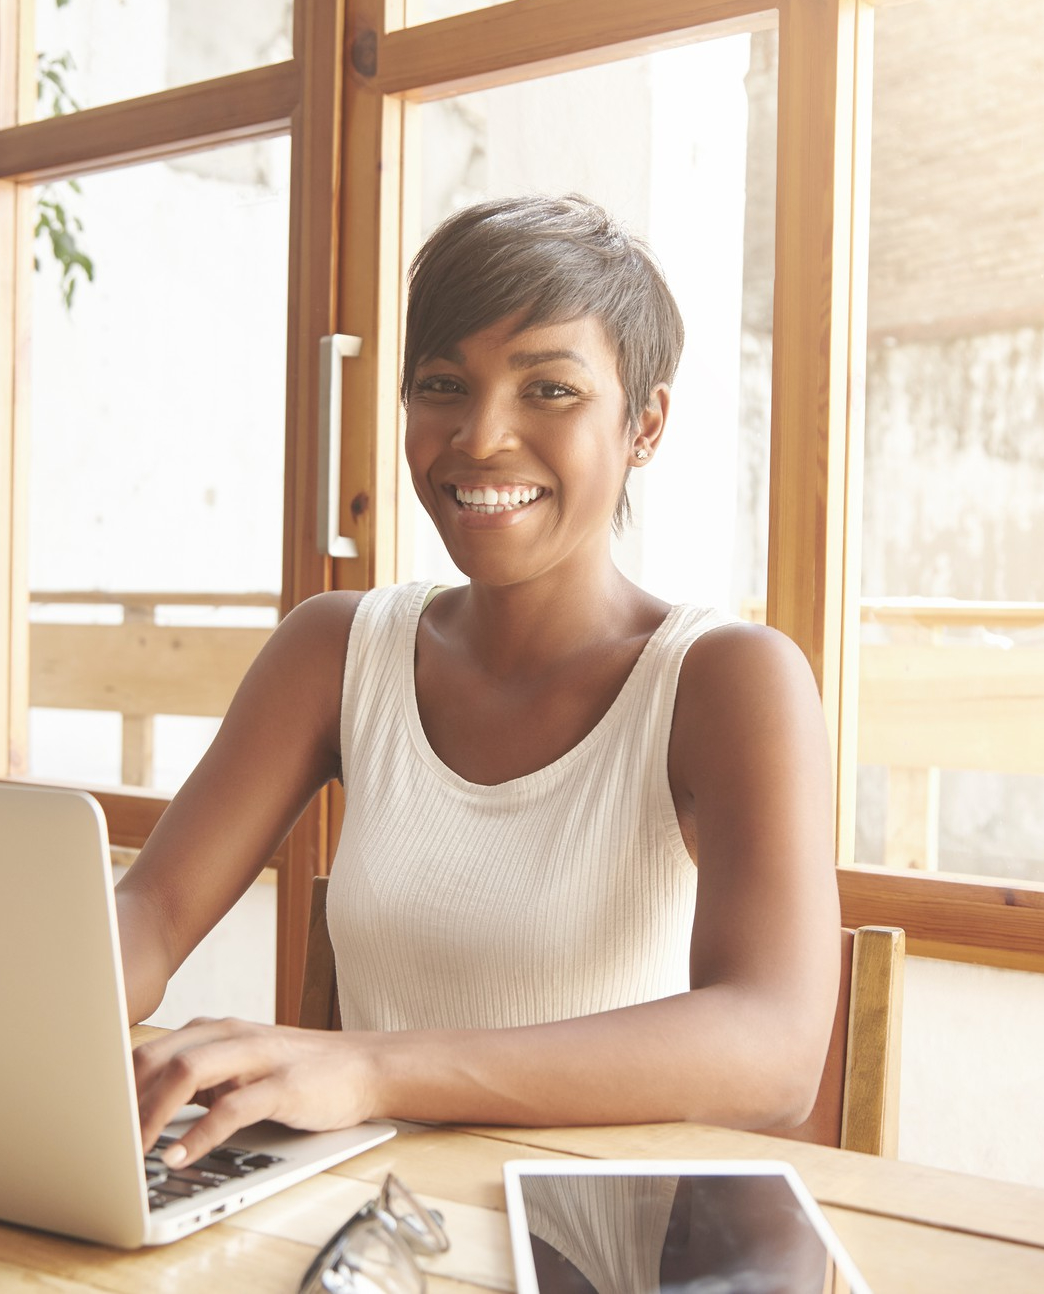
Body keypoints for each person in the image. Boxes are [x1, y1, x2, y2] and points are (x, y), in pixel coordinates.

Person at [112, 194, 841, 1170]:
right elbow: (151, 915)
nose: (480, 436)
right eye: (442, 384)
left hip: (599, 1241)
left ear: (645, 423)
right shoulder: (334, 648)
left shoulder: (727, 680)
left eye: (548, 389)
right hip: (363, 1219)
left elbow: (772, 1049)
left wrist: (369, 1069)